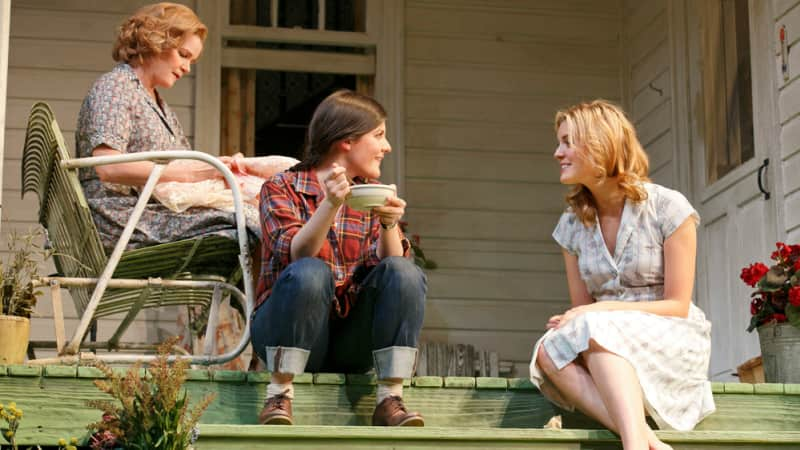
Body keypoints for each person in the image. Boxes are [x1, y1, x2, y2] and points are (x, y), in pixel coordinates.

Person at [529, 100, 715, 450]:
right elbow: (580, 315)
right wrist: (583, 318)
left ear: (601, 144)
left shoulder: (668, 208)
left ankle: (633, 446)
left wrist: (596, 313)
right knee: (548, 350)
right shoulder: (571, 225)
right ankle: (648, 443)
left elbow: (677, 305)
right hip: (606, 342)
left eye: (568, 141)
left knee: (594, 329)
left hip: (670, 334)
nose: (558, 152)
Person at [251, 90, 427, 427]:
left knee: (405, 272)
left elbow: (393, 270)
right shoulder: (282, 187)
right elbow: (297, 252)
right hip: (284, 333)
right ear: (346, 140)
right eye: (379, 135)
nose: (386, 146)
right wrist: (330, 203)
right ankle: (279, 395)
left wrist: (388, 222)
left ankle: (390, 397)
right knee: (310, 272)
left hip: (348, 341)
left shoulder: (368, 193)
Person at [76, 2, 257, 253]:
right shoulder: (116, 87)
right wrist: (193, 173)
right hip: (118, 218)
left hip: (148, 213)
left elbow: (184, 169)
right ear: (155, 41)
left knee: (259, 212)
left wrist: (218, 168)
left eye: (192, 59)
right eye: (183, 55)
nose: (187, 67)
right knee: (247, 222)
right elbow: (109, 166)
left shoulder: (155, 100)